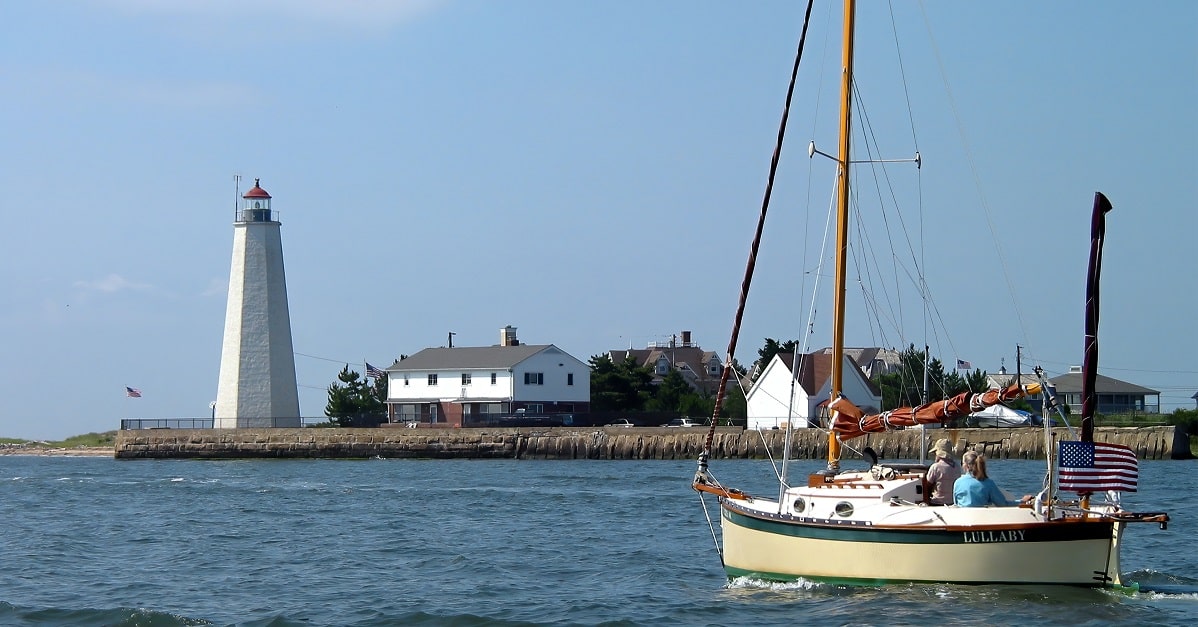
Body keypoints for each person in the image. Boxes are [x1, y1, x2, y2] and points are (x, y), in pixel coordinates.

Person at [953, 450, 1033, 507]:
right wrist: (1022, 501)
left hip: (963, 519)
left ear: (965, 466)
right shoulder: (988, 483)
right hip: (981, 520)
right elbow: (1002, 504)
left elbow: (956, 503)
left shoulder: (957, 482)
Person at [925, 438, 962, 505]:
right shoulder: (957, 467)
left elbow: (927, 486)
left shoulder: (935, 467)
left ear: (938, 454)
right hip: (952, 503)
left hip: (936, 502)